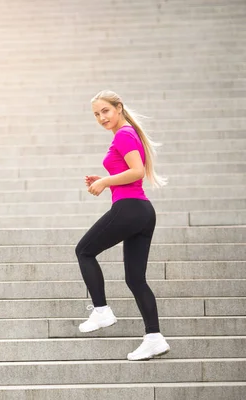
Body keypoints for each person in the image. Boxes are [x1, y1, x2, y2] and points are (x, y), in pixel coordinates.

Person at [75, 90, 171, 361]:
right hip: (141, 211)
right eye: (96, 114)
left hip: (130, 208)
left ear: (119, 108)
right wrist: (107, 178)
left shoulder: (124, 134)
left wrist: (105, 181)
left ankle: (102, 311)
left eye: (105, 110)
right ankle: (154, 338)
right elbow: (129, 172)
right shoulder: (127, 134)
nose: (101, 117)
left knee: (84, 251)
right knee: (135, 279)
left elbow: (138, 171)